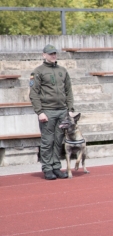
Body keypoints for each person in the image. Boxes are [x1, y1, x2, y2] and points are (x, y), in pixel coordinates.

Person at [29, 44, 75, 180]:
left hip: (62, 111)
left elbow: (69, 91)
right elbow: (33, 93)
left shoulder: (63, 70)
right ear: (44, 55)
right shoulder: (38, 71)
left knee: (58, 140)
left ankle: (56, 167)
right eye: (50, 54)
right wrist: (39, 112)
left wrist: (70, 109)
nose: (53, 55)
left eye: (54, 53)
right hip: (47, 111)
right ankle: (47, 168)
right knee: (47, 141)